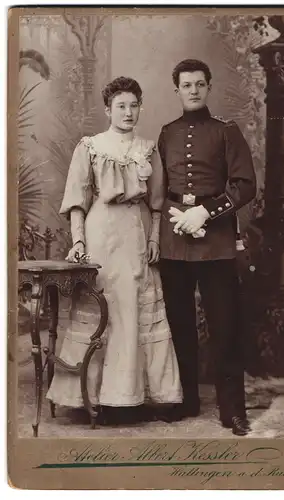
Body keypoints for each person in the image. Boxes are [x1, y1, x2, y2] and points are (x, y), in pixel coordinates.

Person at [46, 76, 183, 425]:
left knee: (134, 307)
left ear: (140, 108)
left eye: (133, 105)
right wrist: (78, 241)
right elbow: (78, 201)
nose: (128, 112)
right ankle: (95, 397)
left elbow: (156, 204)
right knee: (103, 309)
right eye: (120, 106)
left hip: (136, 234)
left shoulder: (147, 148)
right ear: (107, 110)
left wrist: (154, 239)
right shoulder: (90, 146)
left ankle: (132, 396)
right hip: (100, 233)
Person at [157, 59, 257, 435]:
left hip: (216, 242)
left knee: (225, 326)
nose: (194, 90)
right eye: (186, 85)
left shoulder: (226, 132)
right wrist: (179, 217)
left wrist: (204, 213)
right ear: (177, 90)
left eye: (200, 83)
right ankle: (186, 400)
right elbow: (159, 189)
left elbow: (246, 184)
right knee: (180, 324)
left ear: (209, 86)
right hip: (174, 241)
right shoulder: (167, 133)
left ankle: (233, 411)